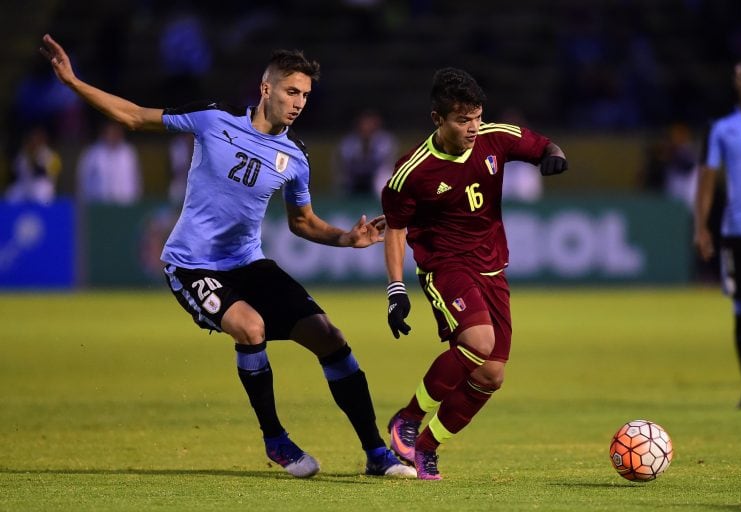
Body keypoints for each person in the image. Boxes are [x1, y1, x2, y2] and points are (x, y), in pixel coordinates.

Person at [40, 33, 415, 479]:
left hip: (248, 263)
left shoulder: (295, 156)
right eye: (291, 91)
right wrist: (72, 82)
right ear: (266, 89)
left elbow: (302, 222)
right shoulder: (212, 121)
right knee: (250, 327)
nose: (298, 103)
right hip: (191, 265)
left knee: (330, 336)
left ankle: (376, 453)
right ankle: (276, 439)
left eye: (305, 95)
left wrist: (346, 240)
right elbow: (136, 118)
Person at [381, 68, 567, 479]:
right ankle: (408, 419)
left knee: (491, 373)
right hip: (445, 265)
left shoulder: (494, 137)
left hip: (493, 267)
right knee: (478, 341)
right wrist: (396, 289)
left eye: (477, 116)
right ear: (437, 119)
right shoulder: (411, 172)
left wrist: (554, 155)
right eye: (462, 120)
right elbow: (394, 228)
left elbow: (541, 144)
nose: (473, 127)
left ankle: (427, 446)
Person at [694, 54, 741, 410]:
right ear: (736, 83)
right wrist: (702, 226)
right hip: (738, 234)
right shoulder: (723, 129)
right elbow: (707, 181)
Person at [334, 109, 398, 198]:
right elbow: (345, 162)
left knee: (384, 177)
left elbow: (380, 162)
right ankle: (344, 207)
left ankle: (382, 207)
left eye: (369, 123)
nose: (366, 127)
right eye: (364, 124)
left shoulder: (385, 140)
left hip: (376, 175)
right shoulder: (349, 141)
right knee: (343, 179)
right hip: (355, 175)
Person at [77, 121, 142, 204]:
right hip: (98, 204)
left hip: (125, 204)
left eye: (116, 132)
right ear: (104, 133)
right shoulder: (92, 153)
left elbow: (136, 179)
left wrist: (136, 201)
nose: (114, 135)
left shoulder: (129, 153)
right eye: (111, 132)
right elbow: (82, 180)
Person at [5, 126, 61, 204]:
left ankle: (43, 215)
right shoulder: (23, 154)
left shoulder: (50, 155)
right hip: (25, 184)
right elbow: (15, 173)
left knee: (40, 193)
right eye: (32, 139)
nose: (34, 141)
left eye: (37, 138)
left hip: (42, 184)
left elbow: (47, 174)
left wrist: (34, 160)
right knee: (11, 194)